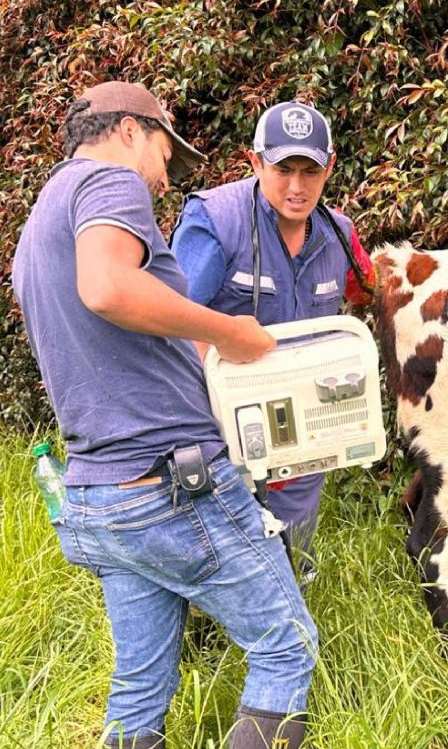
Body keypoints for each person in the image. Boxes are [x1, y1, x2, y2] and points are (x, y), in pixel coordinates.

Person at [12, 81, 316, 749]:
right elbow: (107, 286)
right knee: (286, 647)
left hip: (99, 496)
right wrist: (230, 332)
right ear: (128, 130)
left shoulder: (40, 220)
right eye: (161, 151)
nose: (161, 175)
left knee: (140, 687)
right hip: (171, 487)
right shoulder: (109, 183)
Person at [171, 100, 372, 571]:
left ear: (330, 168)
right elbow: (174, 325)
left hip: (305, 434)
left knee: (292, 561)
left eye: (310, 171)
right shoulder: (215, 221)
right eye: (283, 169)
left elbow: (364, 293)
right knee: (218, 563)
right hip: (219, 431)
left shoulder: (340, 234)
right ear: (255, 161)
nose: (297, 187)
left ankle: (292, 614)